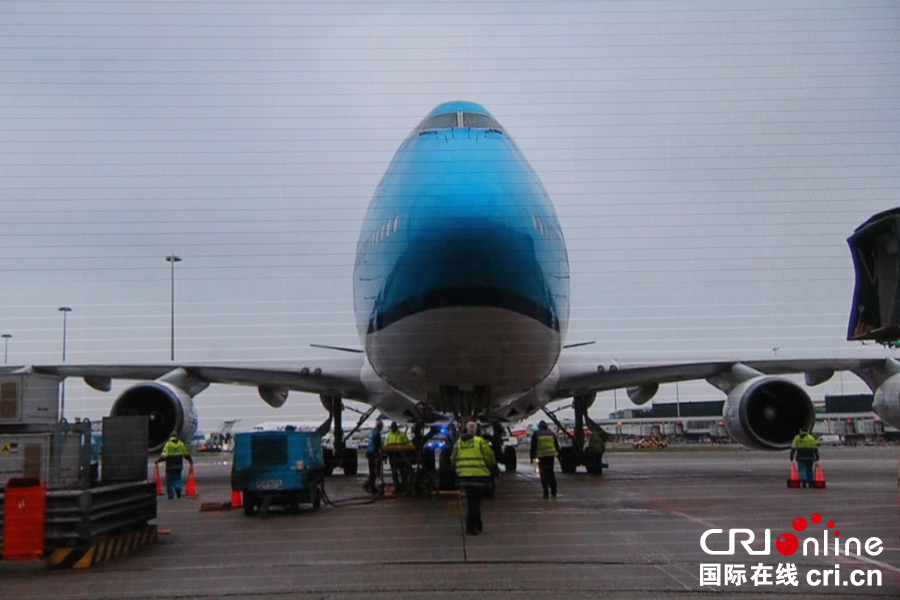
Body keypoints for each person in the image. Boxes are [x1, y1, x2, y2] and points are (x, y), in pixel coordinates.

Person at [451, 421, 496, 535]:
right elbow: (489, 457)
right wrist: (493, 469)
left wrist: (459, 469)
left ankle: (475, 522)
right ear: (476, 431)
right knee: (475, 502)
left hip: (464, 478)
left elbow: (452, 459)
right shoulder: (480, 442)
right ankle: (472, 524)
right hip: (478, 477)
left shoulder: (459, 443)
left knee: (471, 500)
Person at [155, 433, 193, 500]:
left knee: (169, 480)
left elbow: (164, 455)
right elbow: (186, 454)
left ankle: (170, 494)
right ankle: (178, 489)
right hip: (178, 465)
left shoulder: (168, 444)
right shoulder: (180, 444)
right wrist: (190, 461)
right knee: (177, 478)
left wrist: (158, 461)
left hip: (170, 465)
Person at [530, 420, 560, 498]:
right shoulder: (551, 434)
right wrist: (559, 455)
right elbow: (556, 445)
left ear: (539, 427)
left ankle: (545, 491)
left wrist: (532, 457)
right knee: (551, 473)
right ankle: (554, 491)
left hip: (542, 456)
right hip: (550, 455)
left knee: (543, 474)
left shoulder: (536, 434)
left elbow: (533, 446)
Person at [384, 422, 413, 492]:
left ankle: (404, 486)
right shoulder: (389, 435)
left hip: (400, 457)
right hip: (392, 457)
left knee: (403, 472)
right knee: (394, 473)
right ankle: (397, 487)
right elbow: (386, 446)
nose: (393, 429)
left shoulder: (402, 435)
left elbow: (408, 445)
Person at [364, 419, 384, 493]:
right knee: (375, 471)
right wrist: (381, 452)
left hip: (369, 452)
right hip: (373, 453)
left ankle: (371, 486)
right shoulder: (377, 433)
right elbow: (378, 444)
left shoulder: (372, 432)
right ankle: (367, 484)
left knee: (372, 471)